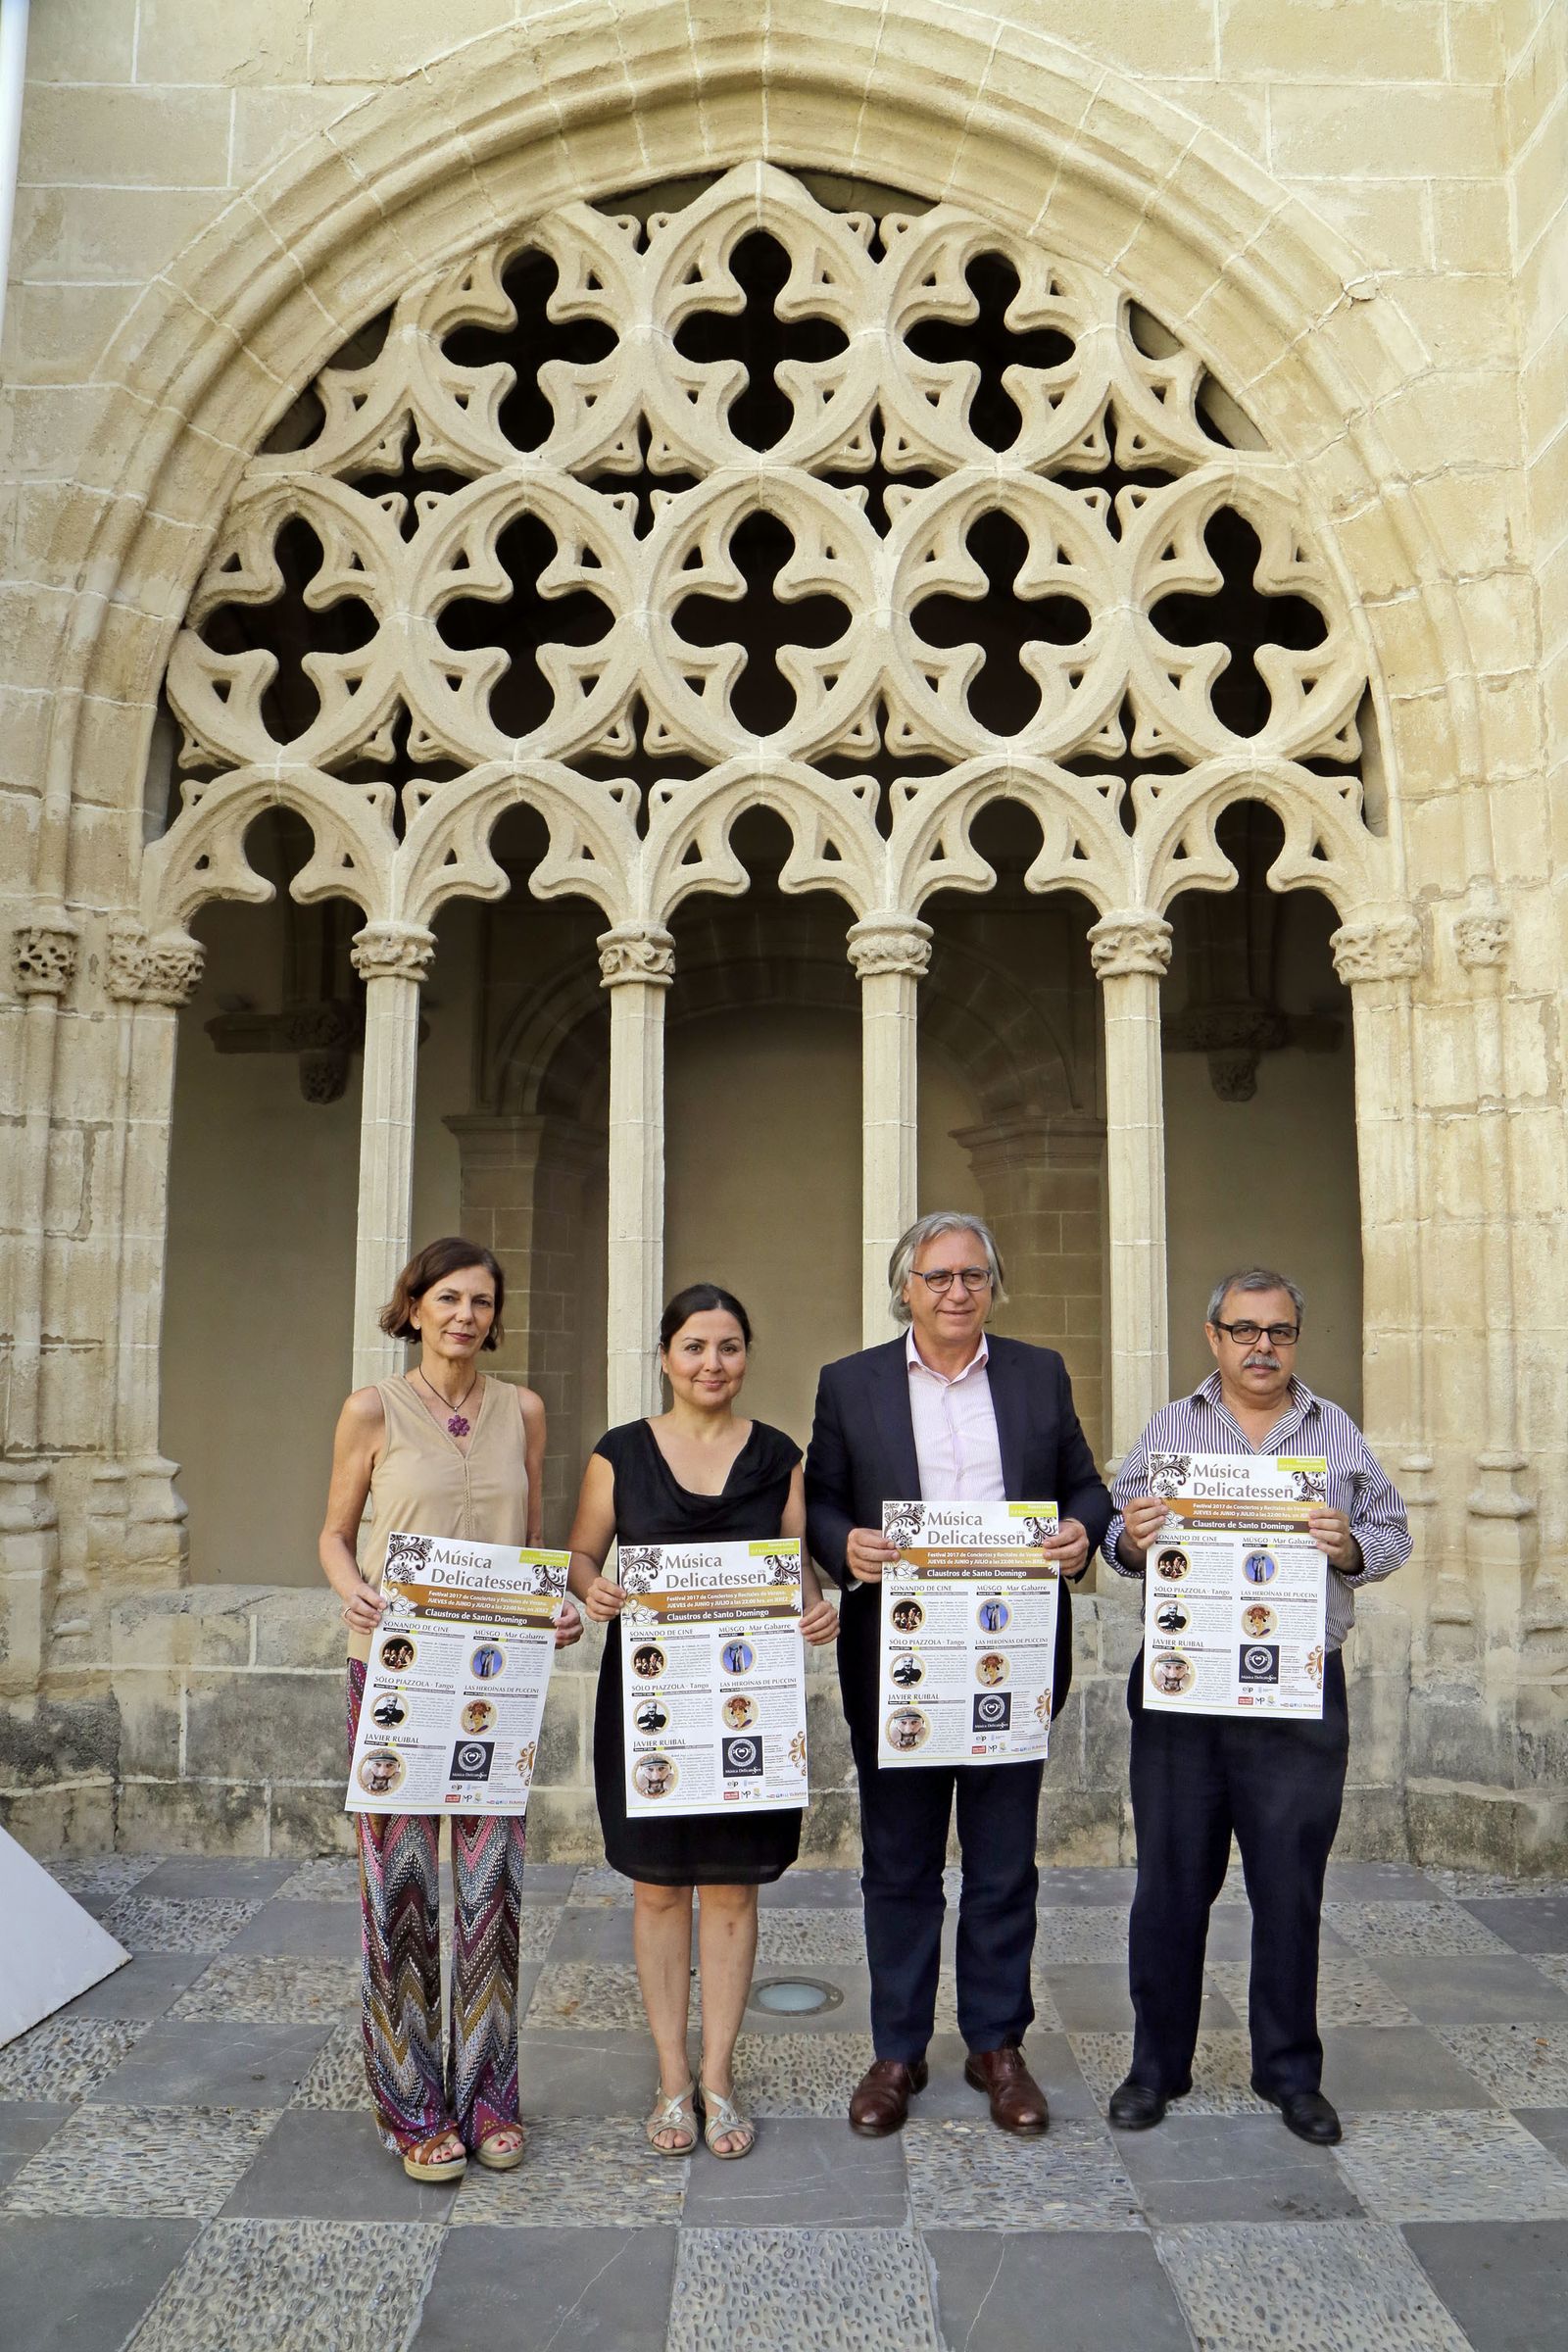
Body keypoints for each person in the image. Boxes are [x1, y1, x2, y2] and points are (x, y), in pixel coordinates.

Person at [805, 1210, 1111, 2139]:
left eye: (973, 1275)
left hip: (1008, 1658)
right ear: (905, 1288)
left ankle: (996, 2046)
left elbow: (1086, 1486)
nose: (956, 1292)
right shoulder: (851, 1382)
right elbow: (819, 1498)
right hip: (898, 1662)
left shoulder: (1037, 1373)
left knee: (1003, 1864)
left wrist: (1081, 1530)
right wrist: (842, 1543)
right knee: (898, 1866)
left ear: (993, 1287)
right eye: (937, 1276)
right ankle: (897, 2051)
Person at [1103, 1267, 1411, 2147]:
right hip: (1184, 1689)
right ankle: (1156, 2067)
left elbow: (1393, 1533)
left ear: (1294, 1340)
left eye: (1278, 1332)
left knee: (1288, 1886)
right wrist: (1133, 1539)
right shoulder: (1172, 1428)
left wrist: (1349, 1545)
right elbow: (1120, 1539)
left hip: (1297, 1688)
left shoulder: (1334, 1431)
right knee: (1170, 1885)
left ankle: (1289, 2074)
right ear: (1215, 1337)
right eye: (1244, 1330)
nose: (1261, 1347)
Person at [318, 1235, 582, 2185]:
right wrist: (351, 1587)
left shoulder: (523, 1411)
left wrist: (558, 1606)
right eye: (448, 1298)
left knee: (490, 1888)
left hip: (493, 1685)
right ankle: (411, 2105)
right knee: (399, 1889)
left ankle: (488, 2097)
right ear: (415, 1307)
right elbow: (333, 1534)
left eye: (481, 1301)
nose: (465, 1315)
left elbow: (535, 1543)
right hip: (394, 1678)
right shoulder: (372, 1409)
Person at [567, 1282, 839, 2162]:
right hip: (650, 1706)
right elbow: (581, 1554)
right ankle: (670, 2077)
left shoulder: (778, 1455)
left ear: (745, 1356)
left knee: (730, 1890)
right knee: (656, 1889)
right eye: (694, 1347)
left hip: (744, 1706)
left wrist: (815, 1607)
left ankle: (718, 2079)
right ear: (665, 1357)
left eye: (728, 1346)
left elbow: (794, 1563)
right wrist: (593, 1588)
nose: (711, 1364)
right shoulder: (619, 1453)